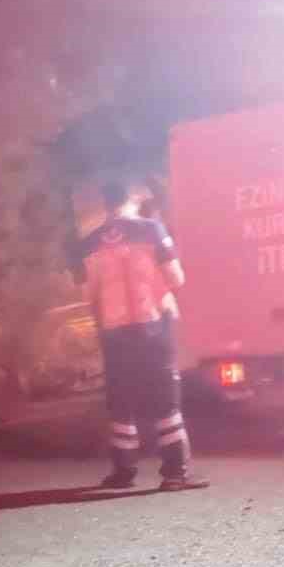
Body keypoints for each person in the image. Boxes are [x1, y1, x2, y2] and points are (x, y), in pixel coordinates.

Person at [71, 181, 208, 492]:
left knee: (121, 402)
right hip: (153, 326)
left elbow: (86, 293)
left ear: (106, 205)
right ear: (132, 200)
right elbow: (176, 278)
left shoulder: (90, 243)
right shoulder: (152, 229)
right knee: (164, 400)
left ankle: (123, 472)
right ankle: (175, 473)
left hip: (114, 331)